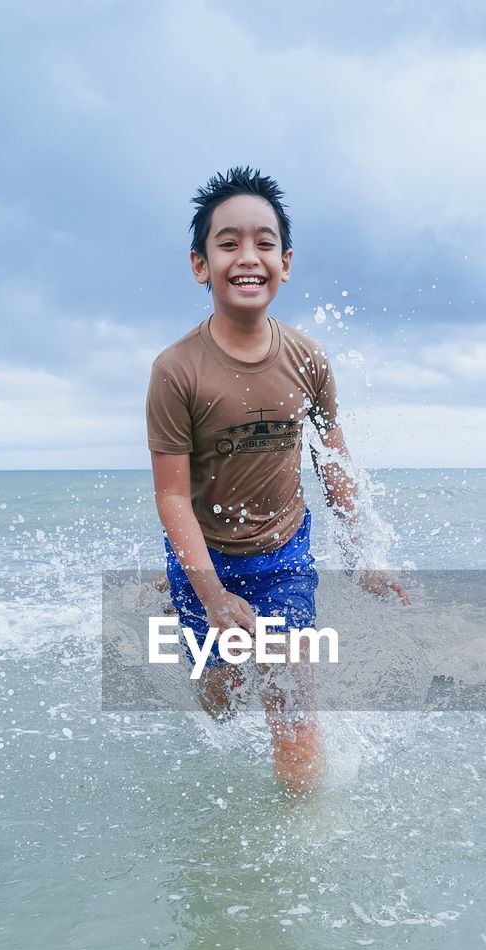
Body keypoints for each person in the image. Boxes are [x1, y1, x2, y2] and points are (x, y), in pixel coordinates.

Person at [146, 166, 409, 793]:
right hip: (204, 561)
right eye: (228, 242)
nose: (248, 257)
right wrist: (211, 597)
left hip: (285, 555)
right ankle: (171, 595)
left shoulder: (307, 359)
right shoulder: (176, 370)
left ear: (285, 263)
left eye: (265, 243)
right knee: (219, 692)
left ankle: (300, 861)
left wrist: (363, 555)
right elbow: (172, 495)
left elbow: (334, 464)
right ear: (199, 264)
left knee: (291, 703)